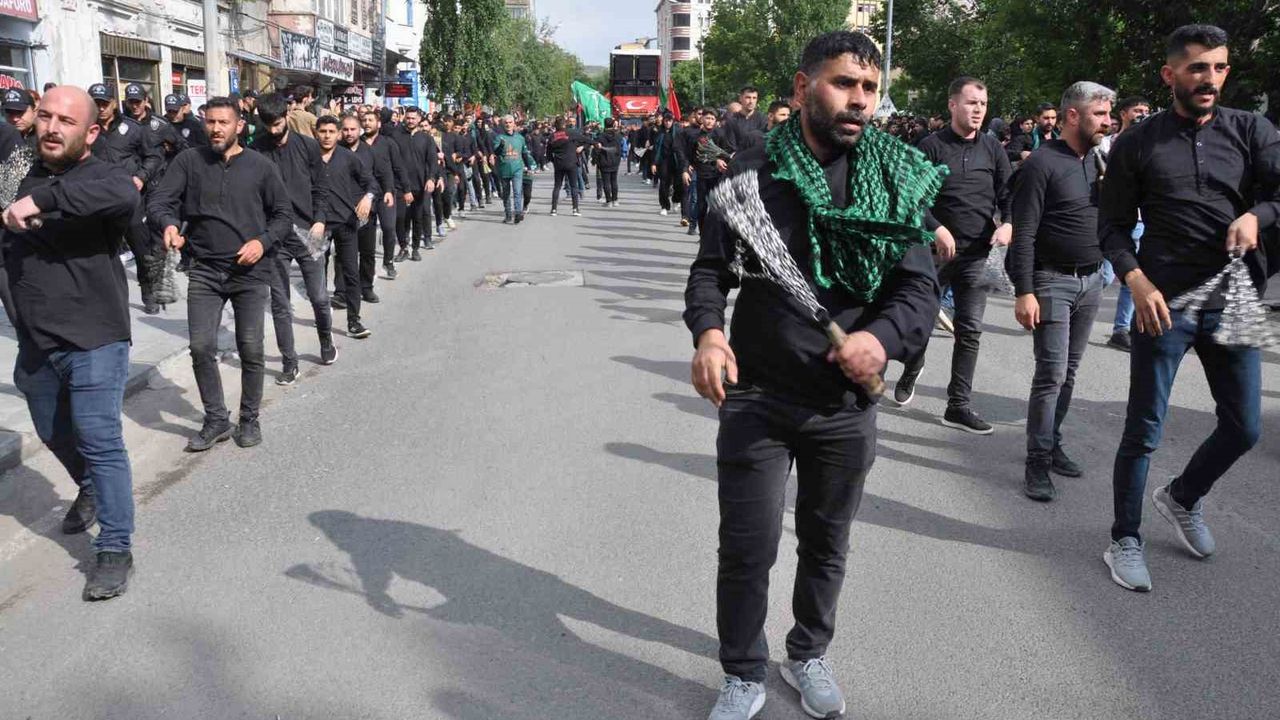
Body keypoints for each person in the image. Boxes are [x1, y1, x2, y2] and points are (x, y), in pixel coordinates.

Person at [684, 30, 943, 720]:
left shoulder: (896, 176)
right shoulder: (754, 170)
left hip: (843, 407)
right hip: (757, 399)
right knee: (748, 548)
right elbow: (711, 272)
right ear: (803, 88)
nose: (859, 100)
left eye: (870, 88)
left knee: (827, 543)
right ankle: (743, 671)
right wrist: (710, 334)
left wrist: (880, 341)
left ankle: (807, 652)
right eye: (843, 83)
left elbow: (919, 290)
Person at [1099, 24, 1280, 592]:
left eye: (1219, 67)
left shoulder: (1251, 130)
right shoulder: (1138, 142)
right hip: (1164, 302)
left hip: (1235, 299)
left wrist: (1256, 216)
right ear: (1170, 74)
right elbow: (1112, 227)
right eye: (1198, 68)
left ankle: (1182, 496)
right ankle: (1124, 538)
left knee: (1245, 427)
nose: (1210, 78)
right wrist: (1134, 280)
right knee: (1144, 428)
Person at [4, 86, 141, 601]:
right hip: (36, 339)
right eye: (45, 117)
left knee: (99, 437)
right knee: (53, 431)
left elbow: (124, 198)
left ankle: (114, 548)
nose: (52, 128)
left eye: (66, 121)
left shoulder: (103, 176)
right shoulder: (21, 172)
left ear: (92, 131)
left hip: (94, 336)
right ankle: (90, 486)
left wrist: (43, 199)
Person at [148, 96, 293, 452]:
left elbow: (283, 215)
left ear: (239, 126)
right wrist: (168, 224)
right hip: (204, 270)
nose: (215, 129)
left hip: (249, 273)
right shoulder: (188, 161)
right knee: (200, 347)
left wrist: (262, 242)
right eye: (210, 121)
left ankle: (249, 419)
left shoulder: (260, 166)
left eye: (223, 122)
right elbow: (161, 202)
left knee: (251, 348)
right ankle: (216, 419)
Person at [1008, 81, 1115, 502]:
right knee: (1050, 375)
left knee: (1069, 372)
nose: (1108, 122)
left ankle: (1051, 445)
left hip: (1092, 281)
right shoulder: (1041, 164)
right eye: (1100, 114)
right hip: (1052, 282)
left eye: (1109, 114)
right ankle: (1036, 462)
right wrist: (1024, 290)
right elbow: (1024, 233)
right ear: (1073, 116)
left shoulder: (1097, 161)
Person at [892, 76, 1014, 435]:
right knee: (919, 321)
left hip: (976, 255)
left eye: (983, 104)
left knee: (970, 330)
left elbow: (1009, 193)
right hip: (932, 253)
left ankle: (958, 406)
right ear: (952, 105)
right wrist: (935, 227)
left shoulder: (993, 149)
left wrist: (1009, 223)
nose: (978, 110)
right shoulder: (930, 146)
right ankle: (913, 365)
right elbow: (910, 197)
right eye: (972, 103)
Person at [251, 92, 335, 383]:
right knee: (280, 303)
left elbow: (321, 188)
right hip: (275, 236)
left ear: (286, 115)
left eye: (277, 123)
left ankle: (326, 340)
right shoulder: (256, 149)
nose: (274, 130)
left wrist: (320, 220)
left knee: (319, 297)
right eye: (268, 125)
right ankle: (290, 362)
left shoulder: (308, 147)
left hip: (309, 231)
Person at [87, 82, 164, 313]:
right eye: (96, 103)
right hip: (99, 200)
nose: (100, 108)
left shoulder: (132, 128)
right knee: (102, 252)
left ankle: (148, 291)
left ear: (113, 103)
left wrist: (141, 177)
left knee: (141, 249)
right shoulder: (86, 130)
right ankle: (107, 298)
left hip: (130, 199)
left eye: (104, 103)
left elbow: (154, 157)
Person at [1098, 95, 1152, 352]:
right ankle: (1074, 306)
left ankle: (1121, 329)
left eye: (1145, 110)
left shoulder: (1152, 143)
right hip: (1114, 221)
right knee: (1106, 275)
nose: (1142, 114)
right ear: (1123, 114)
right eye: (1137, 110)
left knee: (1134, 276)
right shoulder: (1105, 144)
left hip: (1140, 219)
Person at [316, 114, 376, 340]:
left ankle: (354, 321)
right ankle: (322, 315)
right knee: (316, 273)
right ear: (316, 133)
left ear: (338, 133)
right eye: (323, 131)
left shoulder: (348, 157)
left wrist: (368, 197)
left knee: (351, 272)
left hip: (345, 222)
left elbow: (371, 182)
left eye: (332, 132)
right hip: (318, 224)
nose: (327, 136)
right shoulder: (309, 157)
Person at [359, 108, 406, 289]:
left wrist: (406, 189)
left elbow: (398, 167)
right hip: (364, 196)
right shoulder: (357, 144)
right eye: (364, 120)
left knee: (388, 227)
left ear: (378, 124)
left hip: (386, 193)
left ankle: (388, 261)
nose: (367, 123)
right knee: (366, 234)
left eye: (370, 120)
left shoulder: (388, 143)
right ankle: (367, 269)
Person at [489, 114, 536, 224]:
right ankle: (508, 214)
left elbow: (524, 153)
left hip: (517, 168)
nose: (508, 125)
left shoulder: (520, 138)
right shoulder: (499, 137)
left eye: (510, 122)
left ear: (514, 124)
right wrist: (501, 145)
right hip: (504, 168)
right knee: (506, 193)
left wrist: (529, 167)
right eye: (506, 123)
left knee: (517, 191)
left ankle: (518, 213)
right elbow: (496, 152)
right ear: (503, 124)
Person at [546, 117, 582, 217]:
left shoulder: (552, 136)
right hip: (571, 162)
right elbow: (584, 139)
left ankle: (554, 209)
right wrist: (594, 143)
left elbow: (548, 153)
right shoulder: (570, 133)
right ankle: (575, 209)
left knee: (557, 186)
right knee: (574, 186)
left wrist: (554, 161)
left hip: (559, 163)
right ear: (564, 124)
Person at [651, 112, 682, 218]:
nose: (668, 123)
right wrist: (654, 163)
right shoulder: (659, 133)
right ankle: (664, 206)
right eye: (666, 121)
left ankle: (676, 200)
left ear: (673, 121)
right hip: (663, 161)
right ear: (663, 121)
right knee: (664, 184)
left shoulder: (678, 132)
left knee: (678, 184)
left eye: (670, 121)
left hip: (677, 161)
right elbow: (656, 149)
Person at [593, 117, 623, 208]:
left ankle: (608, 201)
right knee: (614, 181)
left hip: (604, 161)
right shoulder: (617, 136)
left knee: (606, 182)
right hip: (615, 161)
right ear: (613, 124)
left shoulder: (600, 137)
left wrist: (594, 160)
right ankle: (615, 200)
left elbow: (596, 150)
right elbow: (620, 149)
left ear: (604, 124)